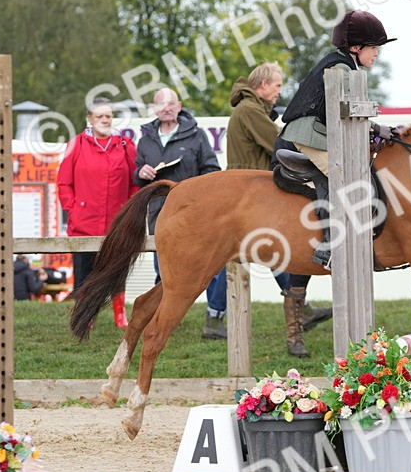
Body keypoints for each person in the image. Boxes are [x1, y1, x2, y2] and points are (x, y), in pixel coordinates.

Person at [227, 62, 331, 357]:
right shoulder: (249, 110)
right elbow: (278, 143)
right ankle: (217, 314)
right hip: (252, 190)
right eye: (276, 85)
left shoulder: (251, 108)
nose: (279, 90)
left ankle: (300, 311)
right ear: (261, 86)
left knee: (279, 255)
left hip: (252, 187)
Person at [278, 10, 396, 268]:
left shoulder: (345, 65)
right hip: (309, 132)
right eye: (374, 48)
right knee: (346, 178)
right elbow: (346, 115)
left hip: (317, 129)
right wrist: (375, 128)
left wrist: (376, 128)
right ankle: (328, 247)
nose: (376, 54)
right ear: (356, 47)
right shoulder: (340, 69)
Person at [134, 86, 224, 339]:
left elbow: (212, 170)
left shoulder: (196, 136)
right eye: (160, 104)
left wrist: (190, 191)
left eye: (170, 103)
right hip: (159, 214)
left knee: (211, 267)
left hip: (194, 215)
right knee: (163, 269)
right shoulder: (145, 139)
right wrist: (141, 172)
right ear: (154, 109)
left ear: (179, 106)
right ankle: (162, 320)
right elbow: (138, 173)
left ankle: (215, 319)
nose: (166, 108)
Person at [58, 98, 138, 327]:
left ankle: (119, 313)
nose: (104, 120)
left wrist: (127, 207)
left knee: (117, 267)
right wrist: (73, 209)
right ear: (89, 119)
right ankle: (86, 314)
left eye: (108, 116)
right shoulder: (76, 145)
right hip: (84, 222)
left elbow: (135, 182)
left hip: (117, 222)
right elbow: (64, 183)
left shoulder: (125, 145)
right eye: (99, 116)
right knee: (85, 271)